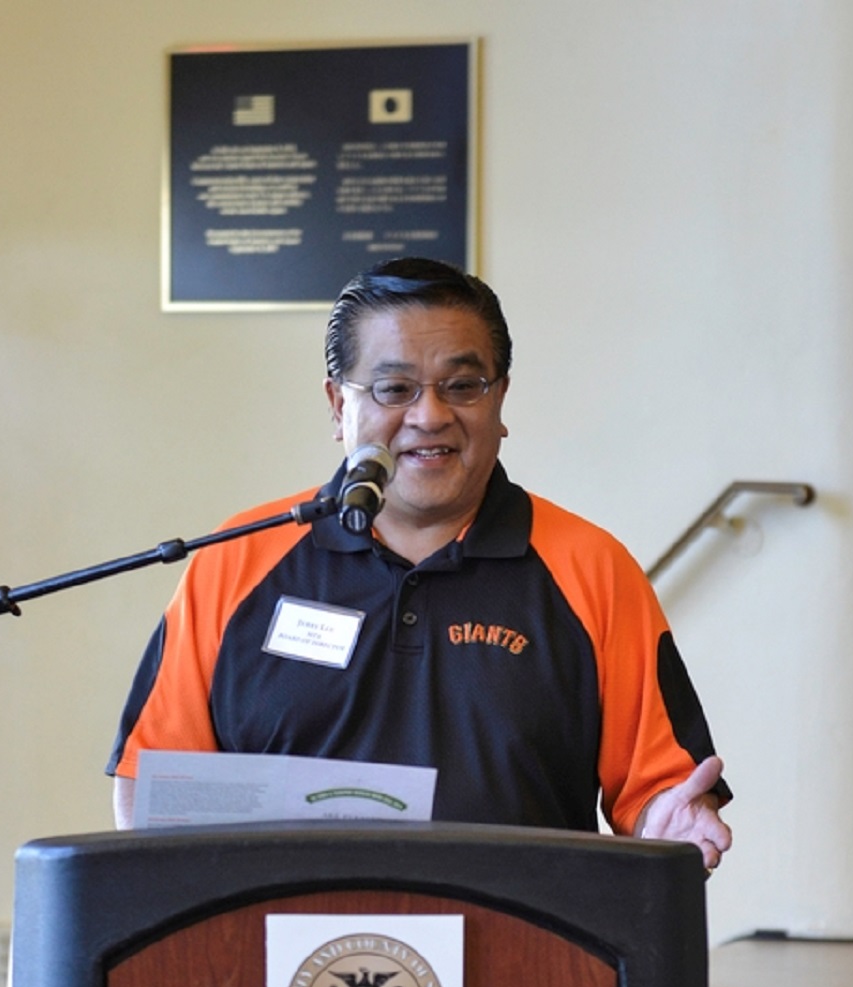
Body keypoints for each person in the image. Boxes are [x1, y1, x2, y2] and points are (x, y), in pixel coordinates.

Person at [107, 257, 732, 868]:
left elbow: (657, 787)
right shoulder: (237, 558)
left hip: (523, 955)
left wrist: (667, 823)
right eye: (394, 388)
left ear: (500, 399)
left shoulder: (593, 568)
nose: (430, 416)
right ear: (337, 405)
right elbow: (156, 785)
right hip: (283, 957)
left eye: (462, 386)